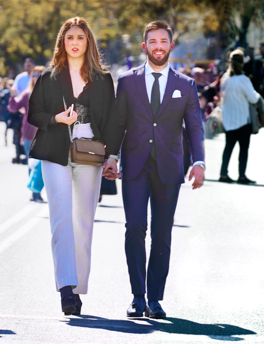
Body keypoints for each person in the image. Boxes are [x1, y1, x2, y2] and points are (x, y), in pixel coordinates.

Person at [104, 21, 205, 319]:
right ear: (144, 45)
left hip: (169, 168)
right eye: (153, 41)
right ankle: (138, 296)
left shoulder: (185, 84)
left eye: (163, 41)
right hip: (135, 165)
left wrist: (198, 161)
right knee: (135, 227)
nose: (158, 45)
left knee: (162, 234)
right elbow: (117, 123)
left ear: (171, 46)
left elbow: (195, 126)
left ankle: (156, 299)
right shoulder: (126, 81)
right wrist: (111, 155)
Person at [28, 17, 114, 315]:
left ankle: (78, 287)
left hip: (90, 153)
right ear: (62, 42)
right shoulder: (48, 77)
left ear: (87, 41)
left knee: (83, 222)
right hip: (55, 153)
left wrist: (112, 155)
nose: (74, 42)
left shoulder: (103, 78)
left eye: (80, 37)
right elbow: (33, 114)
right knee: (61, 219)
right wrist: (56, 120)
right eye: (69, 37)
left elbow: (113, 121)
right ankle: (66, 288)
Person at [218, 49, 260, 184]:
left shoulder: (225, 78)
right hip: (242, 119)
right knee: (243, 149)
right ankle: (242, 176)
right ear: (242, 63)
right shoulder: (243, 79)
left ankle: (223, 173)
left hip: (229, 118)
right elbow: (253, 98)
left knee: (228, 147)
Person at [8, 65, 46, 202]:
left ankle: (39, 191)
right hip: (29, 134)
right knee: (33, 164)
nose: (36, 78)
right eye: (34, 75)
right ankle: (35, 193)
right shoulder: (26, 94)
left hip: (46, 135)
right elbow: (13, 107)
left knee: (43, 165)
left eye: (39, 75)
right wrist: (12, 95)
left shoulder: (52, 94)